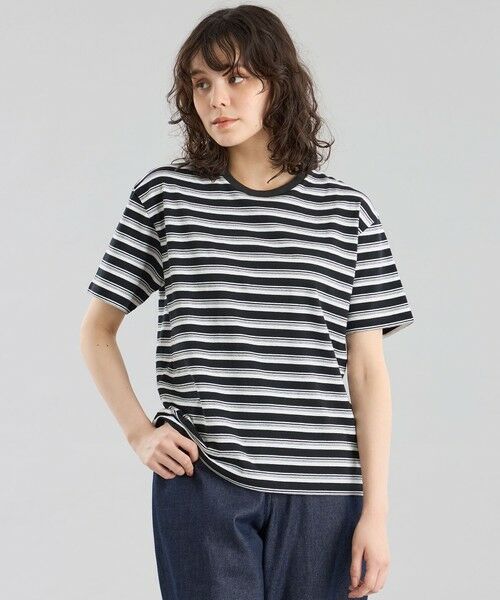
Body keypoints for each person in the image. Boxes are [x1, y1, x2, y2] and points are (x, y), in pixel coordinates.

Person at [80, 4, 415, 599]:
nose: (217, 99)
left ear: (277, 83)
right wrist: (139, 433)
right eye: (201, 83)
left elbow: (366, 371)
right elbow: (96, 330)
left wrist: (377, 513)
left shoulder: (347, 213)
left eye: (236, 78)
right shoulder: (166, 198)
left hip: (323, 493)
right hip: (203, 481)